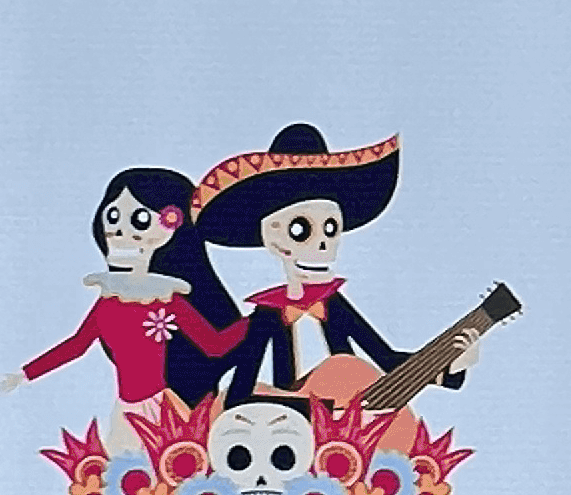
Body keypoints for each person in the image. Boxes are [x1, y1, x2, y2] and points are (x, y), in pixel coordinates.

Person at [192, 121, 450, 422]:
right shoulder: (268, 316)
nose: (323, 246)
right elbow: (239, 393)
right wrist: (320, 412)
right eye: (302, 230)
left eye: (331, 229)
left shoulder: (335, 306)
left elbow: (386, 358)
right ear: (272, 236)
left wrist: (446, 365)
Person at [0, 164, 247, 450]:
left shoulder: (168, 299)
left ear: (173, 224)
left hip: (166, 408)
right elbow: (76, 346)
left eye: (140, 219)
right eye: (112, 216)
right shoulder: (109, 301)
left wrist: (260, 317)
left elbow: (214, 345)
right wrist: (25, 374)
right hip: (126, 411)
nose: (119, 230)